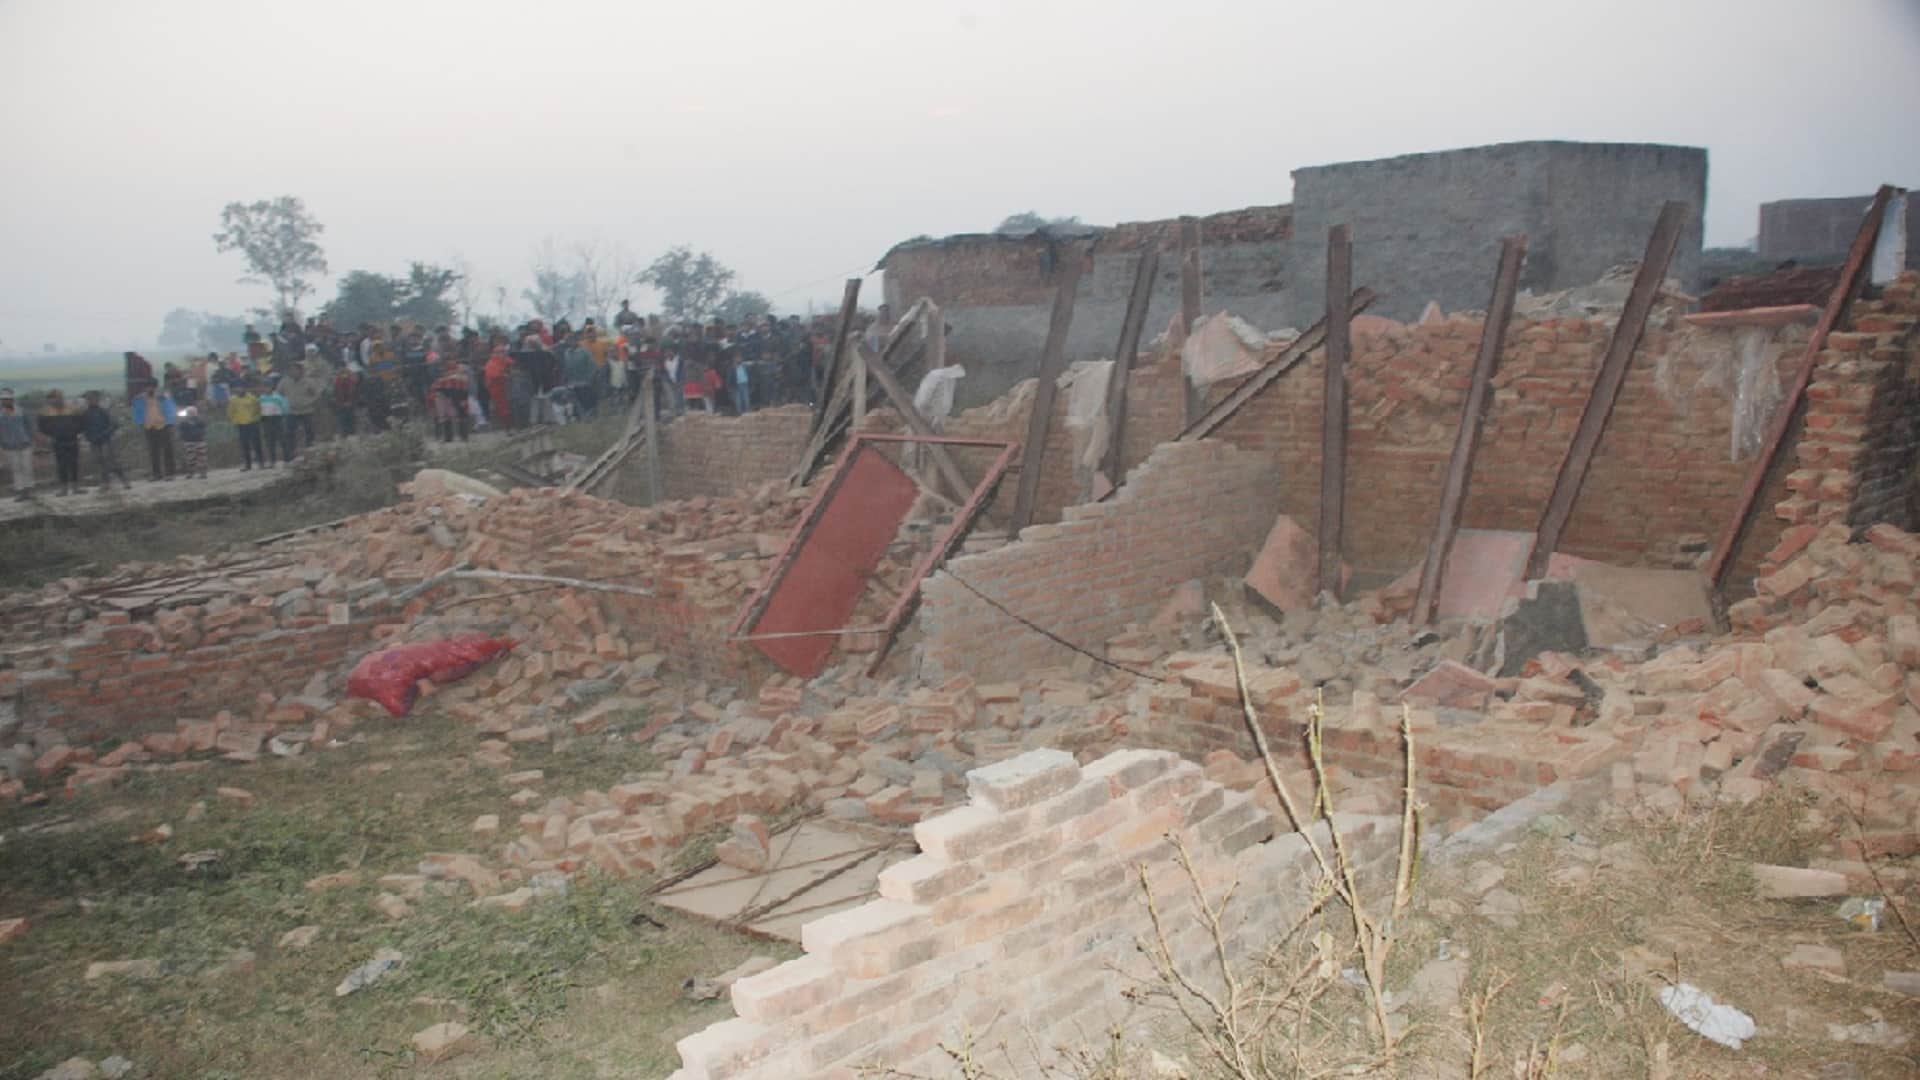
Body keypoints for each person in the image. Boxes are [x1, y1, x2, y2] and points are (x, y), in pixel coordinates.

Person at [35, 390, 85, 496]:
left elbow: (81, 422)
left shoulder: (72, 409)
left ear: (62, 398)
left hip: (72, 440)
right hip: (57, 441)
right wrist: (48, 437)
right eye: (53, 399)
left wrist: (78, 433)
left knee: (74, 464)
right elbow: (41, 426)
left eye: (58, 398)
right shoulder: (45, 412)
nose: (56, 400)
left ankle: (76, 487)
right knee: (61, 465)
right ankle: (64, 489)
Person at [80, 390, 131, 491]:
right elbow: (83, 427)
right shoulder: (85, 414)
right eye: (89, 399)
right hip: (94, 441)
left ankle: (124, 480)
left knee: (112, 461)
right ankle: (105, 483)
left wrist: (105, 434)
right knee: (100, 462)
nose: (91, 401)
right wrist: (88, 437)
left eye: (93, 399)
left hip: (106, 440)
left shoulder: (103, 411)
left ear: (97, 400)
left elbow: (114, 424)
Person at [132, 383, 178, 481]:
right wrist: (140, 422)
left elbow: (171, 409)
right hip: (149, 426)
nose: (149, 389)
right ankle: (157, 474)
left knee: (167, 450)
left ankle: (170, 473)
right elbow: (136, 411)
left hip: (163, 425)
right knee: (153, 452)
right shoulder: (140, 399)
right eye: (147, 387)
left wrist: (169, 422)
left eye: (151, 387)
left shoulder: (163, 397)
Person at [283, 351, 328, 452]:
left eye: (294, 370)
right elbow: (278, 393)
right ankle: (290, 453)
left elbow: (316, 393)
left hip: (307, 410)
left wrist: (310, 401)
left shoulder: (308, 381)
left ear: (300, 371)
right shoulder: (285, 381)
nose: (292, 372)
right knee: (289, 432)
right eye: (290, 370)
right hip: (292, 411)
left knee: (310, 432)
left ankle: (310, 451)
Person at [0, 389, 32, 499]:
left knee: (27, 467)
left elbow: (29, 426)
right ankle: (20, 491)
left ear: (12, 400)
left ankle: (28, 489)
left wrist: (30, 439)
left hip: (24, 444)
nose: (5, 402)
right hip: (9, 446)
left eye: (7, 399)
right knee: (16, 469)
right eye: (3, 400)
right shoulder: (0, 414)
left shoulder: (21, 411)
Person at [429, 360, 471, 443]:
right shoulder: (462, 377)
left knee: (448, 417)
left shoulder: (445, 378)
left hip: (450, 397)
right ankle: (462, 437)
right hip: (458, 397)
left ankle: (450, 437)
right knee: (460, 416)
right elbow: (466, 388)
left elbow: (436, 389)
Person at [227, 380, 265, 470]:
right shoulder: (233, 400)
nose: (239, 389)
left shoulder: (252, 398)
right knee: (244, 445)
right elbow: (230, 412)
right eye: (237, 388)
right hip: (241, 424)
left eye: (240, 387)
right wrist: (234, 421)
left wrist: (256, 419)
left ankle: (261, 462)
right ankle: (248, 464)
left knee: (256, 444)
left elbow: (258, 409)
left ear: (244, 388)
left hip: (253, 423)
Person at [257, 379, 290, 465]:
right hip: (266, 420)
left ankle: (287, 459)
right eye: (263, 387)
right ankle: (272, 461)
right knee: (270, 442)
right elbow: (259, 409)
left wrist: (284, 417)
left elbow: (285, 407)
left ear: (271, 387)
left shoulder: (277, 397)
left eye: (267, 387)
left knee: (282, 440)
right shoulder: (261, 398)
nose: (265, 389)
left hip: (277, 419)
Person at [484, 343, 513, 432]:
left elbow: (513, 365)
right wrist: (505, 374)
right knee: (503, 408)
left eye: (504, 352)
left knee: (510, 407)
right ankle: (507, 428)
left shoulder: (506, 360)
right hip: (497, 389)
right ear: (495, 353)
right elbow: (494, 375)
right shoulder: (491, 363)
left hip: (508, 387)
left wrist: (510, 372)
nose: (503, 354)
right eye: (500, 352)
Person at [176, 406, 209, 479]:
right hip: (189, 442)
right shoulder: (183, 422)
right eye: (190, 412)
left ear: (196, 413)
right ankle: (191, 472)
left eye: (193, 412)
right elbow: (181, 431)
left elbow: (204, 427)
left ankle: (203, 473)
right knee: (190, 458)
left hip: (199, 441)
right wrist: (183, 438)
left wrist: (201, 434)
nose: (191, 414)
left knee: (202, 458)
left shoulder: (200, 420)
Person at [331, 362, 360, 437]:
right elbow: (335, 390)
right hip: (341, 403)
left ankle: (352, 433)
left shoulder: (351, 375)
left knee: (351, 418)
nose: (341, 369)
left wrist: (350, 401)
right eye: (339, 368)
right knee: (343, 419)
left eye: (342, 367)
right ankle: (345, 434)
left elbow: (354, 389)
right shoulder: (336, 378)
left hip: (350, 402)